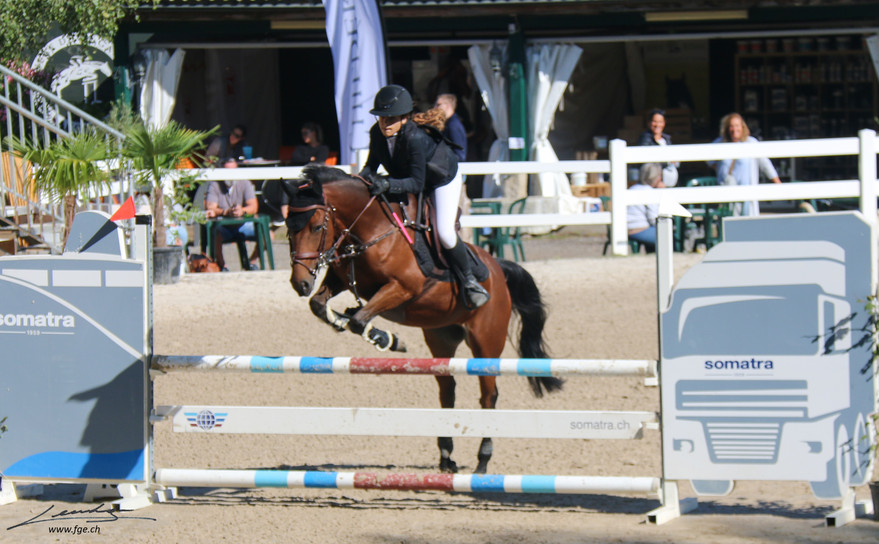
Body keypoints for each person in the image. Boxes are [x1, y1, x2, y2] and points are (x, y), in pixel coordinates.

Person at [359, 84, 489, 309]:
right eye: (381, 118)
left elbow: (417, 183)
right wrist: (358, 182)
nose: (384, 123)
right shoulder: (376, 133)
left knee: (445, 232)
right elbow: (370, 166)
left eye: (391, 119)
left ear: (404, 118)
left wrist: (387, 183)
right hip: (409, 176)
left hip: (441, 179)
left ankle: (469, 281)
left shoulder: (415, 138)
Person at [713, 113, 781, 217]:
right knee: (728, 220)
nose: (734, 129)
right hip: (727, 192)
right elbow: (708, 160)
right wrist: (720, 171)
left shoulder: (751, 142)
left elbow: (765, 164)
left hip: (747, 193)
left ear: (742, 127)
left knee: (748, 219)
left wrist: (777, 183)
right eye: (731, 126)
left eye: (737, 125)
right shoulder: (720, 142)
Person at [204, 158, 260, 270]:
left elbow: (254, 206)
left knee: (267, 234)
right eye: (227, 171)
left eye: (233, 171)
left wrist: (242, 210)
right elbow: (210, 208)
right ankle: (222, 265)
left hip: (243, 225)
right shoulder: (215, 184)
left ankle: (251, 263)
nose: (230, 174)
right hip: (224, 227)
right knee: (215, 233)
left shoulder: (245, 182)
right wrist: (225, 212)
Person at [627, 162, 664, 252]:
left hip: (626, 228)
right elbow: (653, 218)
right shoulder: (649, 192)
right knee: (668, 236)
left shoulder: (632, 188)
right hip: (639, 229)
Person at [637, 108, 678, 187]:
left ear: (664, 123)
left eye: (660, 122)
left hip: (668, 175)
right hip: (652, 177)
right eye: (654, 121)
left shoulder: (666, 139)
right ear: (649, 123)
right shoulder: (645, 138)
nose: (657, 125)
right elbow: (644, 160)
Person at [434, 94, 467, 161]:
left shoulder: (453, 125)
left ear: (448, 106)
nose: (435, 108)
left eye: (438, 105)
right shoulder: (449, 124)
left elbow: (460, 155)